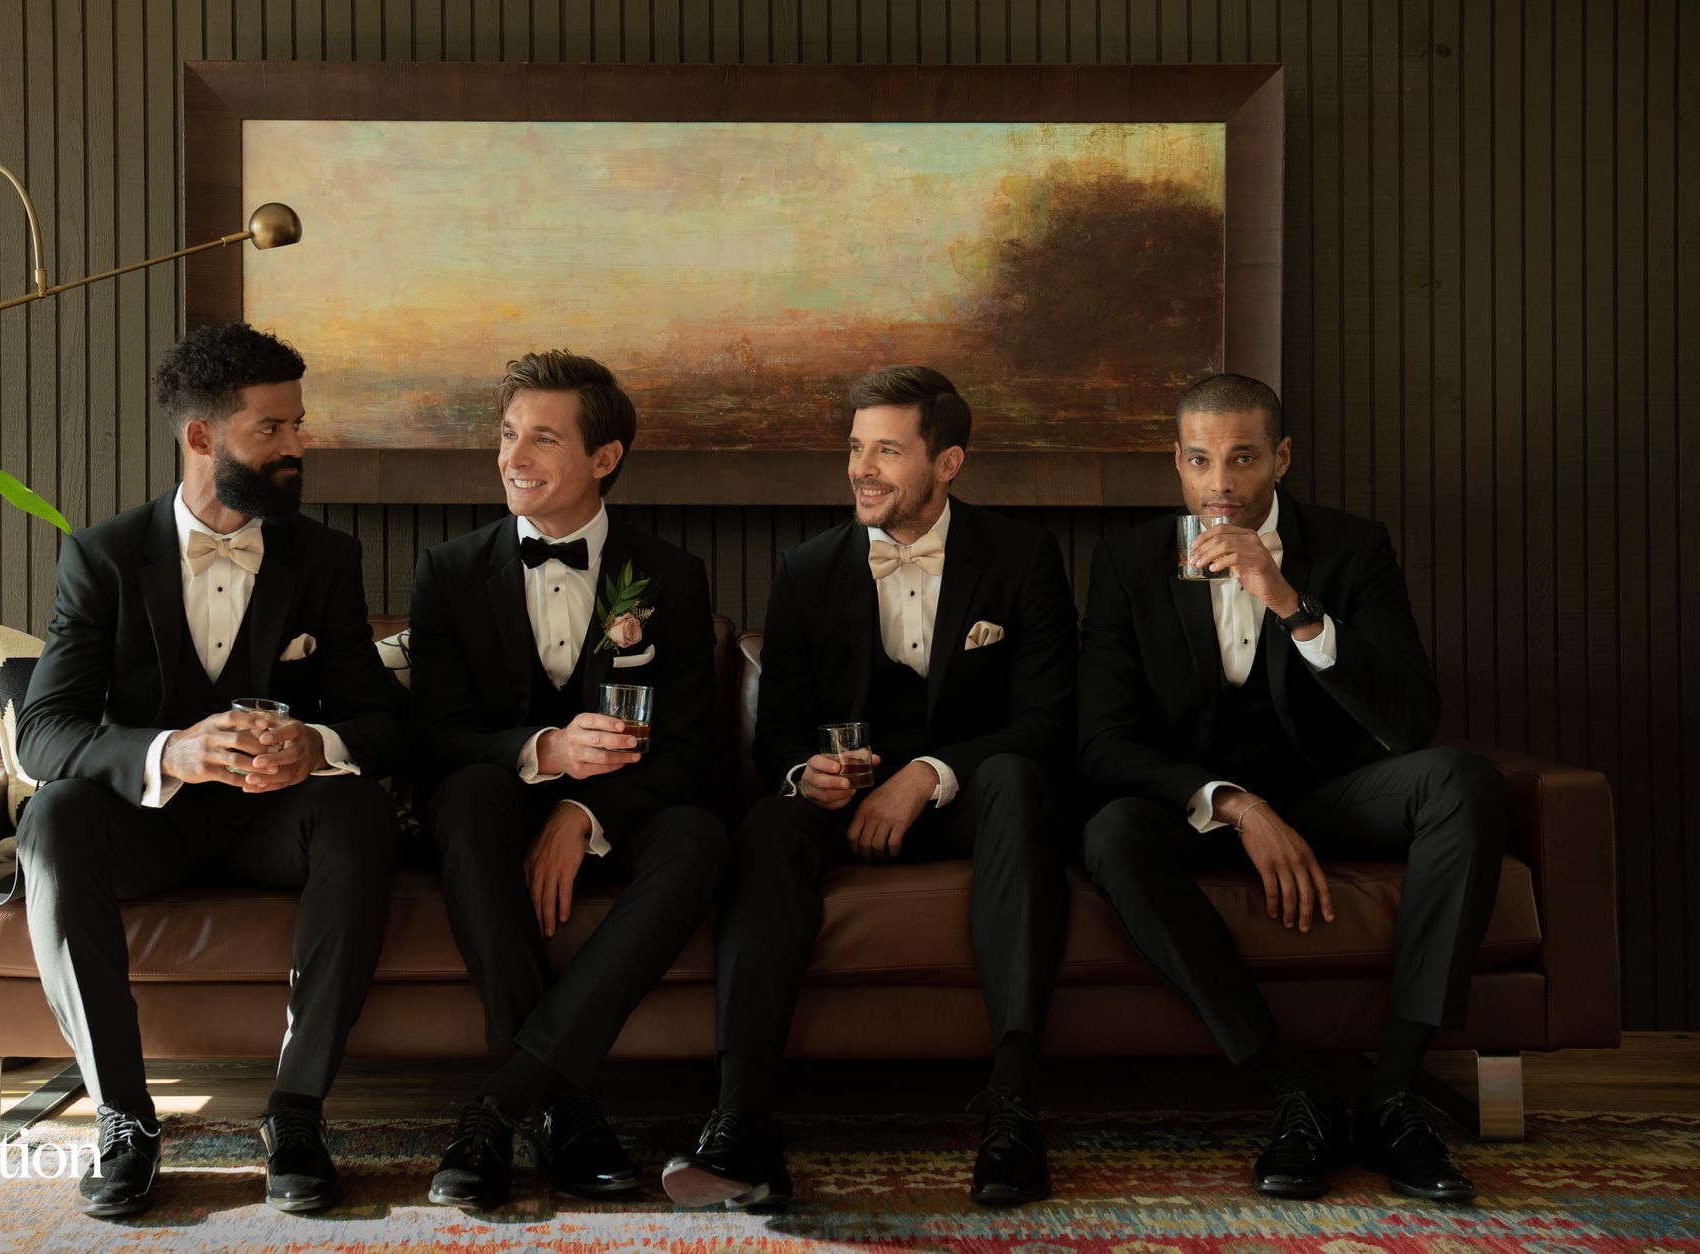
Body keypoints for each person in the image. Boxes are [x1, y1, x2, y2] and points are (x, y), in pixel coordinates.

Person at [1077, 372, 1507, 1202]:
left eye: (1242, 459)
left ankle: (1393, 1098)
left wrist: (1290, 603)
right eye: (1200, 461)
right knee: (1110, 832)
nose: (1221, 485)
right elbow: (1101, 743)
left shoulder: (1352, 549)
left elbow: (1411, 719)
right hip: (1202, 811)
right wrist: (1236, 804)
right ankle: (1294, 1086)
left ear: (1281, 458)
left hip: (1332, 793)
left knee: (1464, 781)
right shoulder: (1127, 562)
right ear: (1176, 463)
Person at [660, 365, 1077, 1210]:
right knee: (768, 831)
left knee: (1021, 782)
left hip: (970, 805)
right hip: (842, 805)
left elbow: (1047, 721)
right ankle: (739, 1121)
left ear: (949, 462)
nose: (862, 468)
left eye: (888, 449)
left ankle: (1012, 1109)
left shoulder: (1023, 556)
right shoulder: (808, 569)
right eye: (856, 447)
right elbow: (778, 732)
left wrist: (925, 776)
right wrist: (801, 774)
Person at [12, 322, 404, 1217]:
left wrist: (319, 745)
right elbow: (45, 731)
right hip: (146, 827)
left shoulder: (325, 559)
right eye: (274, 429)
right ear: (203, 438)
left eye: (298, 425)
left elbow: (381, 721)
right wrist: (168, 751)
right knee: (54, 815)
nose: (298, 445)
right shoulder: (102, 557)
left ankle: (297, 1113)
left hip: (277, 825)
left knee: (361, 813)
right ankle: (124, 1117)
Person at [409, 350, 729, 1211]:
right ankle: (567, 1106)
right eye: (509, 435)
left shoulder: (673, 576)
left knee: (702, 834)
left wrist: (582, 811)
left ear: (604, 458)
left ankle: (501, 1104)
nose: (515, 456)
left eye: (543, 438)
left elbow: (691, 754)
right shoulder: (446, 573)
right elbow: (437, 743)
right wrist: (547, 757)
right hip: (496, 798)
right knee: (468, 798)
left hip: (626, 813)